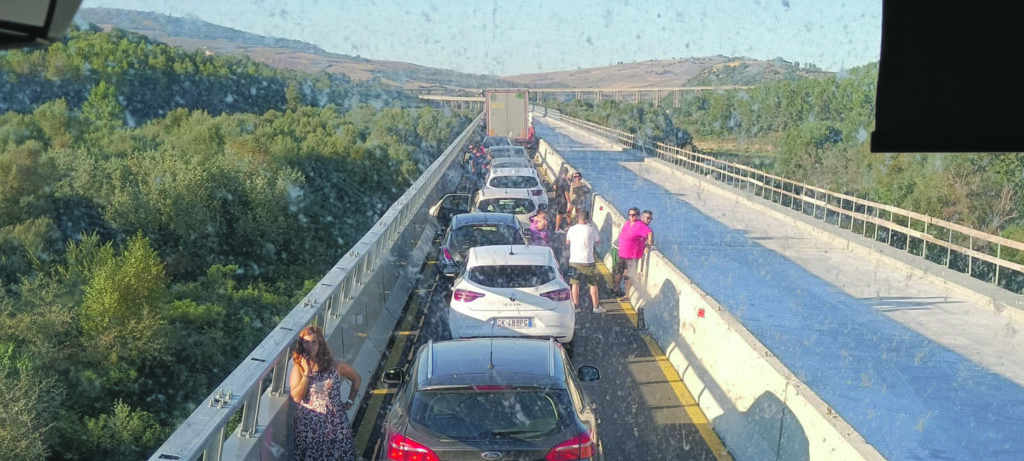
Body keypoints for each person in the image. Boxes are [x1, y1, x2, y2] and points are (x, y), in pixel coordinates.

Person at [290, 325, 362, 461]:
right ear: (301, 344)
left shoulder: (335, 365)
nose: (310, 346)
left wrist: (350, 401)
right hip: (309, 426)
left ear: (320, 343)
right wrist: (306, 373)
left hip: (335, 422)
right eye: (306, 342)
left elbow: (356, 378)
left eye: (314, 342)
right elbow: (296, 397)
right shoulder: (298, 367)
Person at [565, 209, 603, 313]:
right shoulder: (591, 229)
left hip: (574, 261)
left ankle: (576, 306)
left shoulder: (572, 229)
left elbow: (567, 242)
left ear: (578, 218)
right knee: (592, 283)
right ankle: (595, 306)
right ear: (588, 219)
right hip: (588, 260)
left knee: (575, 283)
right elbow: (598, 241)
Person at [612, 206, 653, 301]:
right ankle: (615, 290)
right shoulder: (627, 223)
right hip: (622, 253)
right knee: (617, 273)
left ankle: (627, 295)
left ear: (638, 216)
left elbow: (649, 233)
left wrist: (648, 245)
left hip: (632, 256)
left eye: (633, 215)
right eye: (629, 215)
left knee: (628, 277)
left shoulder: (640, 225)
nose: (631, 217)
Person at [552, 166, 571, 233]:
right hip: (563, 200)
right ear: (566, 173)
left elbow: (554, 187)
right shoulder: (565, 182)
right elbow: (566, 193)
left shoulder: (557, 179)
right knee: (560, 214)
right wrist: (569, 202)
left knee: (558, 213)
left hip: (557, 198)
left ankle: (557, 227)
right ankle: (557, 228)